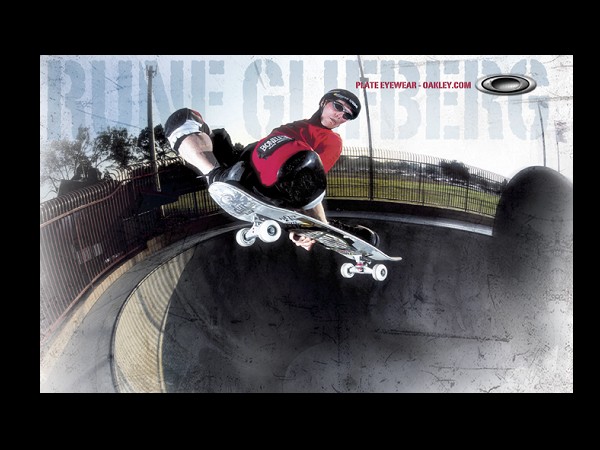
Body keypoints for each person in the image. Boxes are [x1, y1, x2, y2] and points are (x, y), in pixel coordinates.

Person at [164, 88, 379, 251]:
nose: (340, 115)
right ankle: (216, 176)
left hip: (273, 182)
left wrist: (310, 225)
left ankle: (320, 226)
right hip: (240, 168)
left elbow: (309, 180)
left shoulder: (332, 141)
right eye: (338, 106)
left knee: (301, 156)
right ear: (324, 102)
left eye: (347, 116)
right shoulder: (298, 125)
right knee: (184, 120)